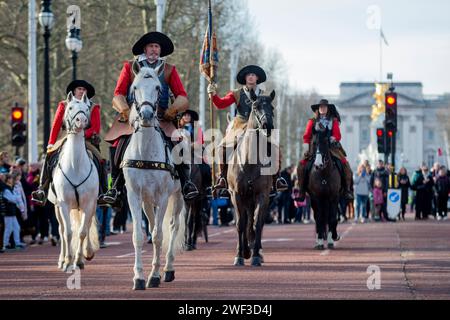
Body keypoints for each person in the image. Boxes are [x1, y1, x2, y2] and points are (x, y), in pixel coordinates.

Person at [98, 31, 199, 205]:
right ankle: (114, 186)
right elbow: (118, 94)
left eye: (157, 47)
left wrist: (172, 110)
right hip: (132, 114)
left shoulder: (168, 69)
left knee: (179, 143)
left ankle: (186, 182)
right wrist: (125, 110)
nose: (154, 50)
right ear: (144, 48)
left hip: (161, 115)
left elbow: (182, 96)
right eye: (151, 46)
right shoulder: (130, 67)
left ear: (160, 50)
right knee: (117, 143)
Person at [207, 65, 288, 194]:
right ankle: (222, 176)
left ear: (257, 78)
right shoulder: (236, 93)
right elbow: (220, 104)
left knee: (274, 147)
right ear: (245, 78)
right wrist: (213, 95)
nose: (251, 76)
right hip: (240, 124)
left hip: (259, 126)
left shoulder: (264, 95)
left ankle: (276, 178)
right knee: (222, 146)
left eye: (253, 75)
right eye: (248, 74)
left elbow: (267, 113)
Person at [31, 80, 103, 205]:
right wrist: (51, 142)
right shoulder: (64, 105)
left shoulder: (93, 107)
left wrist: (82, 133)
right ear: (74, 91)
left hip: (86, 139)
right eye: (79, 89)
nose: (81, 91)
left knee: (100, 159)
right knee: (49, 155)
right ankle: (42, 189)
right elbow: (56, 124)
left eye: (84, 90)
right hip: (65, 137)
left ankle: (104, 191)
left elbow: (95, 128)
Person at [297, 99, 354, 201]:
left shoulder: (333, 121)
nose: (322, 109)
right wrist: (306, 146)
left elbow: (337, 135)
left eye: (324, 107)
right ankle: (301, 190)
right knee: (301, 165)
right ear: (318, 109)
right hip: (314, 147)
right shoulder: (312, 121)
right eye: (321, 107)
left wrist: (333, 138)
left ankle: (347, 189)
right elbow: (306, 135)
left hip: (331, 147)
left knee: (345, 164)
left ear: (328, 109)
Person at [1, 174, 26, 251]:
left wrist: (15, 199)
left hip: (12, 212)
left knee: (16, 227)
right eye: (10, 179)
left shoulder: (10, 188)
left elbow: (15, 199)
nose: (12, 180)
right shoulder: (6, 189)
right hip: (8, 212)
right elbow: (14, 199)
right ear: (7, 180)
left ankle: (17, 244)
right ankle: (5, 245)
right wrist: (15, 199)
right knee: (8, 229)